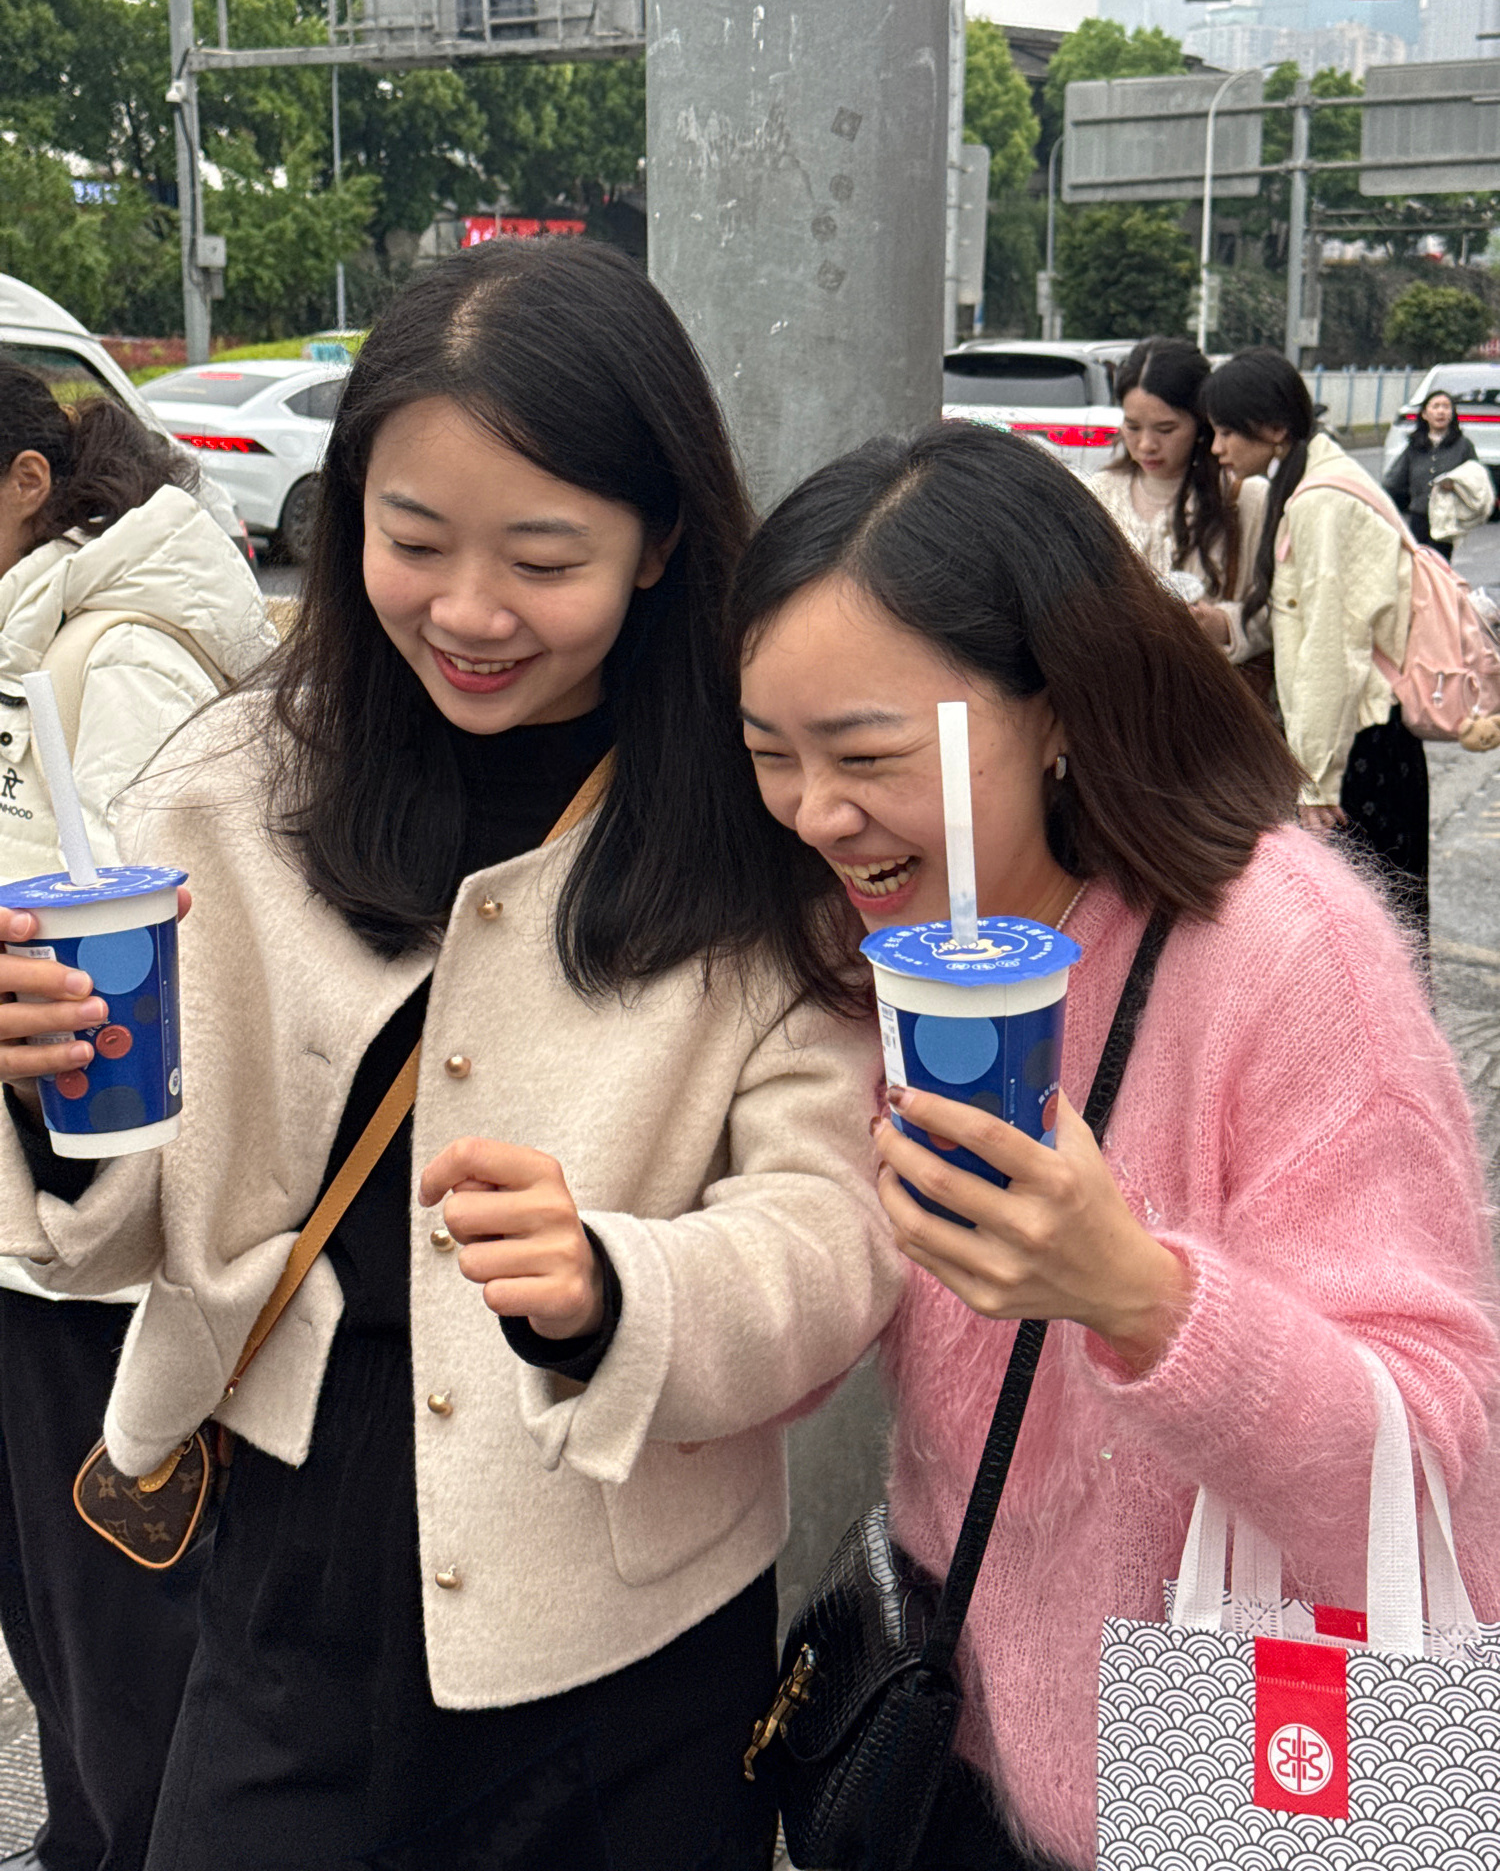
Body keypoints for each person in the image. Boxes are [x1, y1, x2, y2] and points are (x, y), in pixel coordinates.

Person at [0, 240, 899, 1871]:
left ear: (660, 542)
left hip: (626, 1625)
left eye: (543, 559)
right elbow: (127, 1222)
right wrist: (50, 1087)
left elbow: (832, 1229)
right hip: (292, 1581)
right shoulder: (236, 792)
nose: (470, 613)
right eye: (413, 542)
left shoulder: (753, 838)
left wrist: (620, 1287)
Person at [728, 419, 1500, 1871]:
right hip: (954, 1740)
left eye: (868, 754)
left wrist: (1141, 1298)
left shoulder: (1287, 951)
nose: (817, 812)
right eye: (773, 754)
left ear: (1057, 710)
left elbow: (1432, 1457)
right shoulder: (863, 950)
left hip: (1232, 1777)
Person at [0, 364, 275, 1871]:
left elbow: (174, 949)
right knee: (62, 1635)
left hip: (94, 1243)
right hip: (35, 1229)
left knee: (120, 1647)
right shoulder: (31, 637)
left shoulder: (122, 657)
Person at [1201, 347, 1430, 943]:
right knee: (1381, 924)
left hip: (1358, 751)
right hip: (1366, 742)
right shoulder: (1319, 479)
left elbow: (1331, 649)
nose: (1217, 448)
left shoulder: (1321, 502)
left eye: (1227, 431)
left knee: (1361, 936)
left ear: (1275, 429)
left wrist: (1316, 781)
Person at [1088, 337, 1267, 674]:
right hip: (1120, 690)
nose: (1146, 445)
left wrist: (1222, 625)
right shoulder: (1099, 494)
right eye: (1132, 427)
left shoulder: (1245, 497)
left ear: (1200, 423)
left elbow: (1282, 610)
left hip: (1209, 692)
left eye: (1166, 429)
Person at [1383, 388, 1479, 558]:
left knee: (1439, 564)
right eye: (1435, 406)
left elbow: (1477, 479)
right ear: (1425, 414)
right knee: (1418, 562)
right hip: (1418, 516)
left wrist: (1456, 484)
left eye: (1446, 407)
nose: (1441, 412)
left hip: (1446, 518)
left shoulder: (1463, 446)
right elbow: (1394, 481)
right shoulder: (1415, 446)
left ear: (1452, 414)